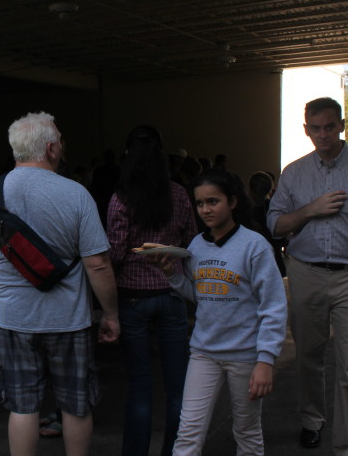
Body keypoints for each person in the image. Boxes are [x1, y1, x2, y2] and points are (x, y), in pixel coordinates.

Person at [0, 111, 120, 456]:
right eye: (61, 140)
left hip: (14, 319)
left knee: (22, 406)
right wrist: (110, 313)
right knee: (75, 405)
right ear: (51, 149)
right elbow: (98, 263)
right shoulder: (76, 193)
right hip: (69, 319)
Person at [267, 97, 348, 453]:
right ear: (306, 129)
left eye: (330, 126)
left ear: (342, 125)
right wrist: (310, 210)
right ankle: (312, 419)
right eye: (316, 128)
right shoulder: (294, 173)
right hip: (306, 272)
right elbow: (275, 224)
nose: (323, 135)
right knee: (308, 356)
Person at [154, 168, 287, 456]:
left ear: (233, 202)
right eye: (200, 203)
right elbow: (200, 294)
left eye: (213, 201)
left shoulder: (254, 246)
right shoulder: (196, 246)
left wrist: (266, 360)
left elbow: (274, 307)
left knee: (247, 432)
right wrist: (173, 276)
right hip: (204, 353)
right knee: (187, 432)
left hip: (246, 356)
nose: (205, 209)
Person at [106, 126, 197, 456]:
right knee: (177, 388)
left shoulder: (121, 199)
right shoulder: (178, 194)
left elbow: (114, 253)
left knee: (140, 386)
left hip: (132, 298)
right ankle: (176, 451)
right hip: (172, 294)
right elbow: (191, 241)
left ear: (128, 155)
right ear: (162, 155)